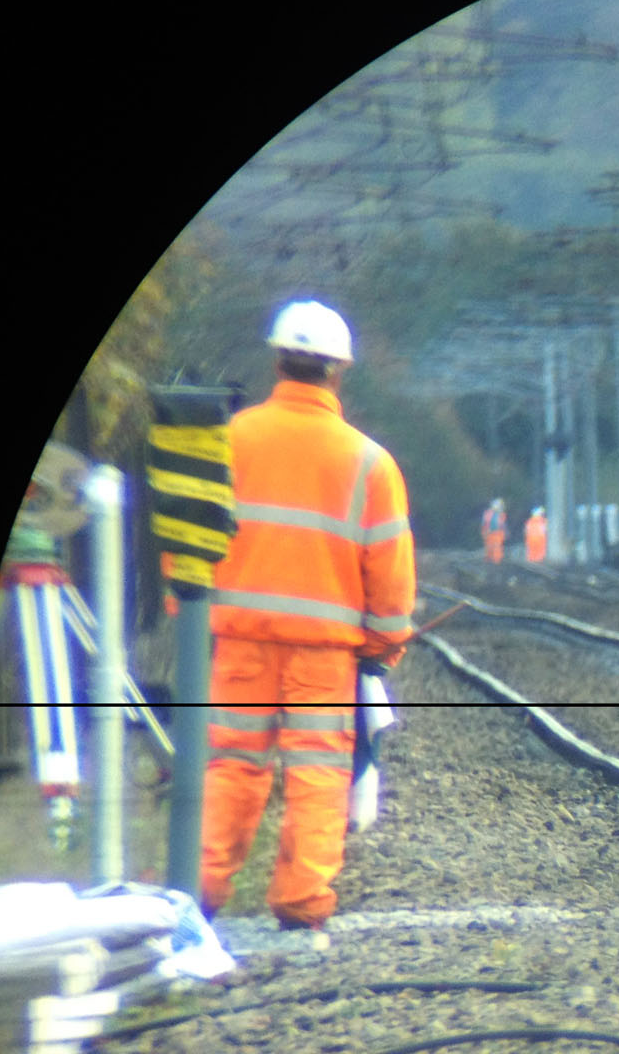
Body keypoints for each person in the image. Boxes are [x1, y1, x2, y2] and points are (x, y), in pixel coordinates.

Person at [200, 300, 416, 931]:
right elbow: (391, 570)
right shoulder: (370, 462)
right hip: (324, 654)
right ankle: (301, 898)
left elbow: (189, 538)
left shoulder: (228, 439)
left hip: (238, 641)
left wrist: (191, 620)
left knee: (232, 766)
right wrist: (385, 645)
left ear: (277, 360)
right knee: (319, 771)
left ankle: (201, 893)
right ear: (339, 372)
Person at [482, 498, 507, 564]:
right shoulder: (490, 513)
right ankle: (492, 560)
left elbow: (501, 525)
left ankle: (494, 560)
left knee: (494, 547)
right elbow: (485, 523)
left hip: (495, 534)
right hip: (491, 533)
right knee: (492, 547)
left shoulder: (499, 514)